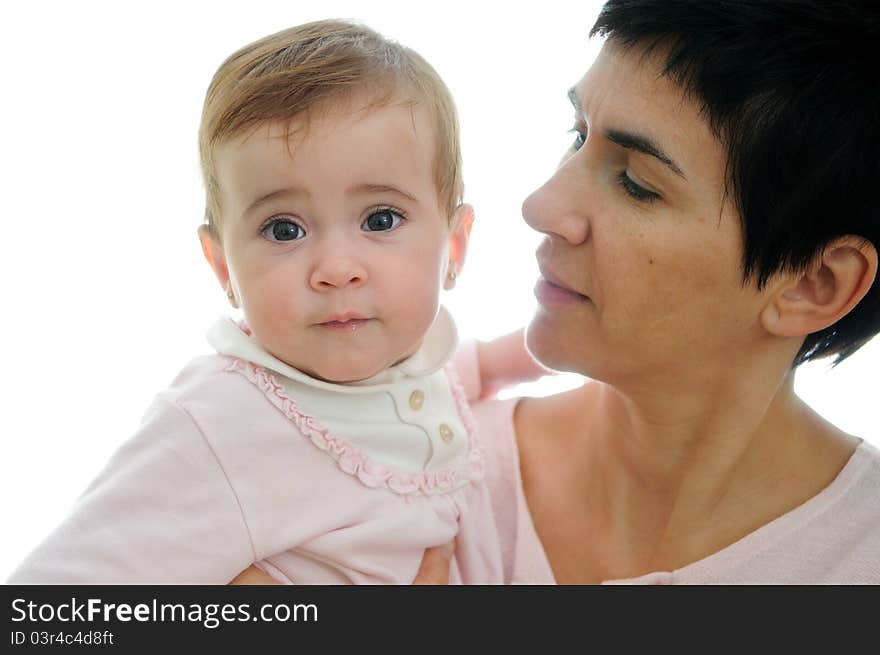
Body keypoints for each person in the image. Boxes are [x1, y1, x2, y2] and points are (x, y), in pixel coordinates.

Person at [7, 19, 544, 585]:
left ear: (454, 245)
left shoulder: (403, 362)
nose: (336, 269)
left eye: (379, 219)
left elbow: (410, 389)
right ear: (223, 267)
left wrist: (509, 359)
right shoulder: (219, 421)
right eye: (284, 229)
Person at [376, 0, 880, 585]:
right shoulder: (404, 469)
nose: (541, 206)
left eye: (637, 184)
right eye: (577, 134)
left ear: (813, 285)